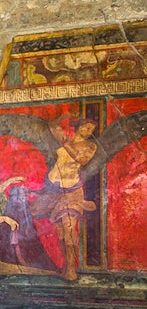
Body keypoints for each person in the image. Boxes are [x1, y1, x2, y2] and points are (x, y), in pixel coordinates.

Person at [31, 115, 98, 280]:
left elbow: (82, 160)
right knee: (61, 230)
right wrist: (65, 116)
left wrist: (67, 144)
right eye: (86, 126)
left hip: (72, 191)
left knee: (68, 227)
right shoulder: (66, 139)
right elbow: (51, 125)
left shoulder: (90, 146)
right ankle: (66, 266)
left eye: (91, 130)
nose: (88, 131)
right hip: (53, 190)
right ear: (78, 126)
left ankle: (71, 269)